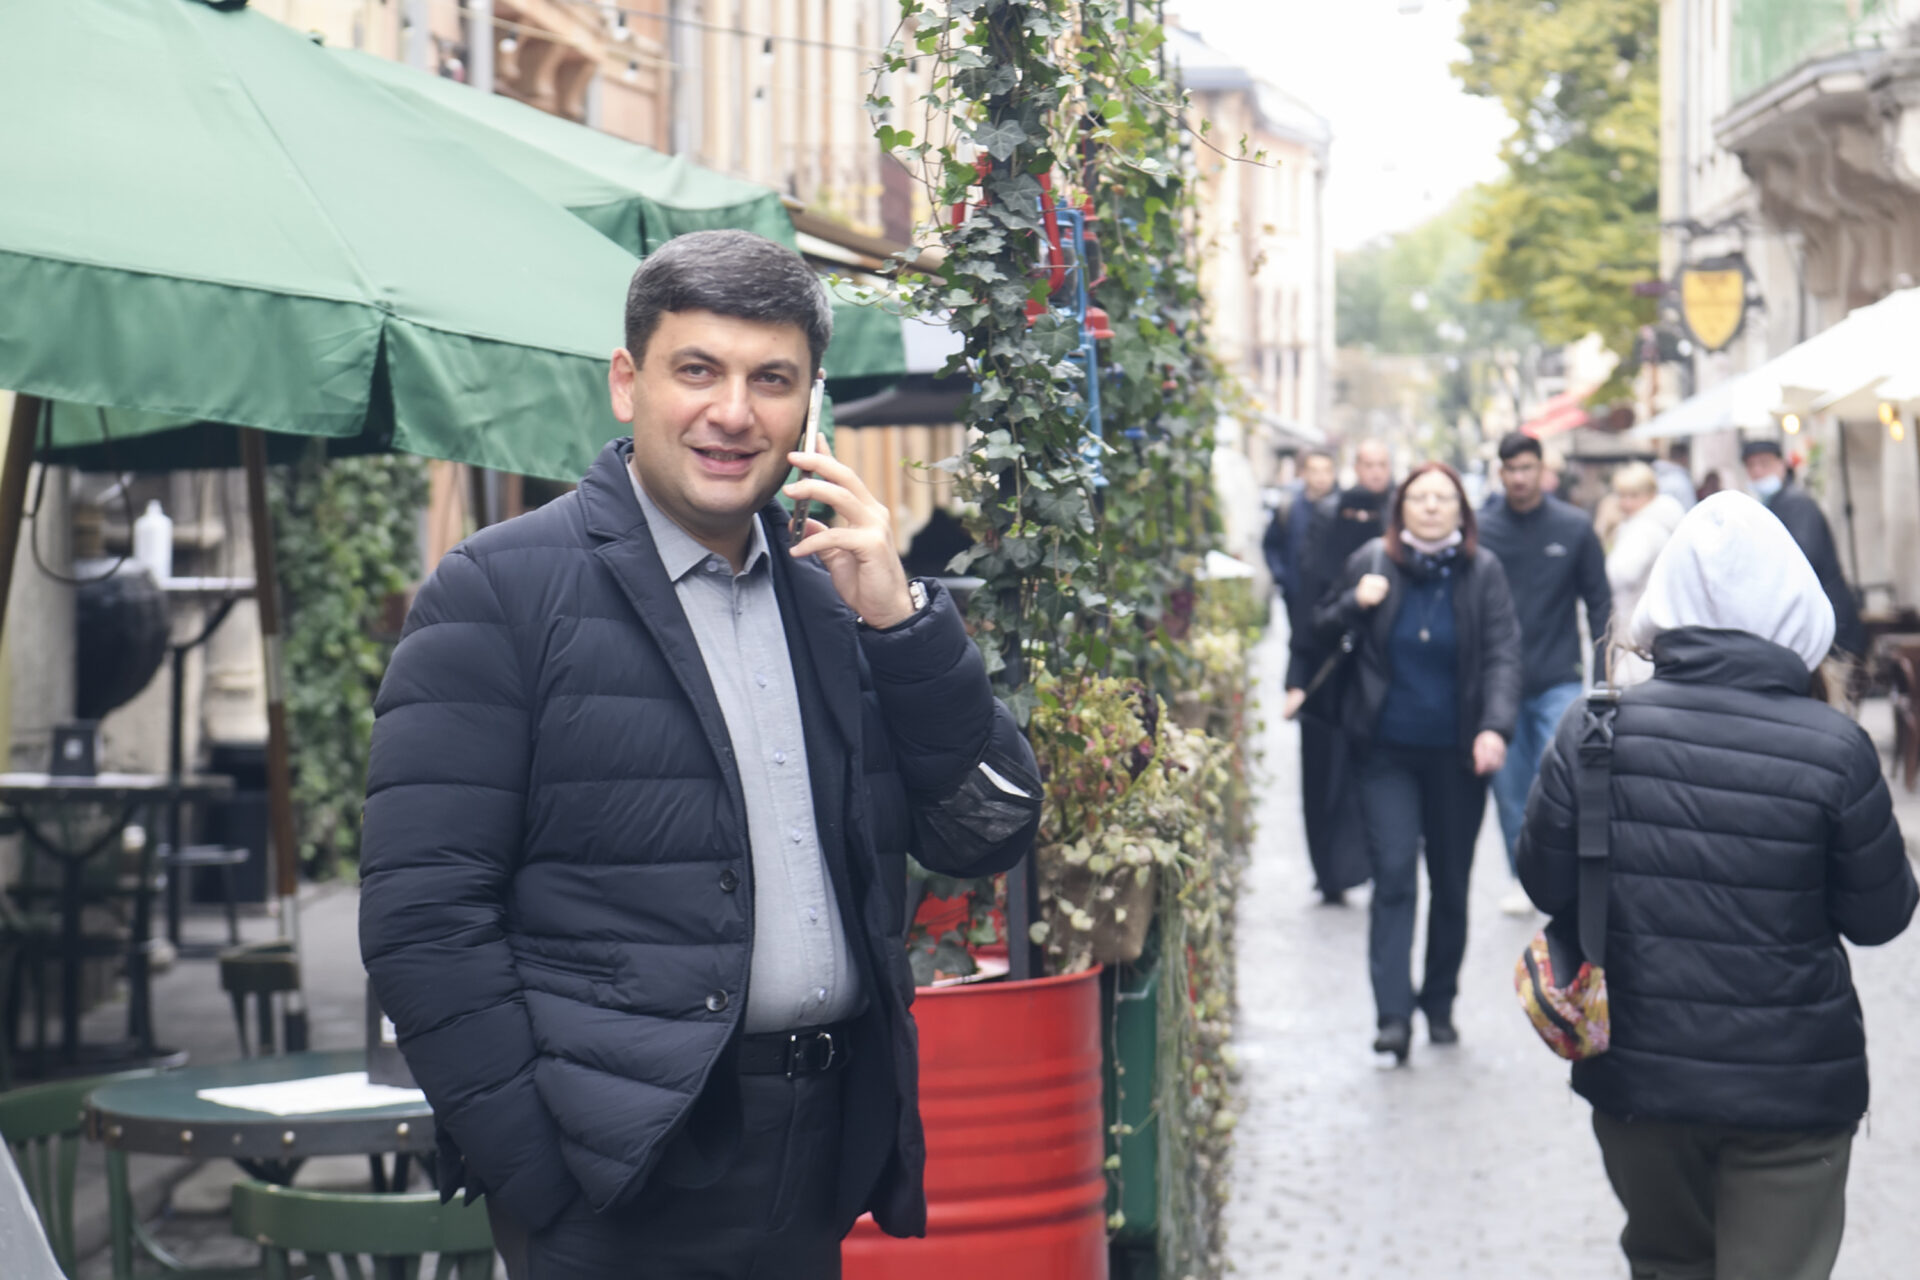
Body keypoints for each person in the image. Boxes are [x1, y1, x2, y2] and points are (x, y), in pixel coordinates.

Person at [358, 230, 1043, 1279]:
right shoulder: (497, 591)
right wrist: (540, 1176)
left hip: (811, 1158)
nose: (734, 412)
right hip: (614, 1175)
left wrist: (905, 625)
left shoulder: (837, 595)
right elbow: (423, 918)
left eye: (772, 379)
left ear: (811, 401)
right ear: (627, 382)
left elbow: (985, 829)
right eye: (698, 370)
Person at [1518, 492, 1916, 1280]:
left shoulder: (1594, 729)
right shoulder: (1835, 748)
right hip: (1793, 1084)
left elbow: (1545, 879)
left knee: (1667, 1265)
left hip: (1640, 1075)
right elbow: (1879, 917)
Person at [1314, 462, 1521, 1062]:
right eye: (1420, 498)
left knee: (1452, 885)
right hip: (1386, 752)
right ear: (1400, 508)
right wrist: (1355, 601)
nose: (1431, 507)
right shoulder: (1371, 563)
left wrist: (1494, 726)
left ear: (1462, 510)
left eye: (1443, 498)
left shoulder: (1483, 572)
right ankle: (1393, 1016)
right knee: (1396, 873)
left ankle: (1439, 1001)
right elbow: (1320, 628)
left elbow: (1505, 656)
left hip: (1459, 755)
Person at [1477, 432, 1611, 916]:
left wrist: (1602, 676)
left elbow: (1599, 602)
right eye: (1510, 469)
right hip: (1498, 683)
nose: (1519, 477)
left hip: (1558, 675)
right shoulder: (1482, 528)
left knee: (1555, 779)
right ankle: (1520, 875)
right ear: (1500, 473)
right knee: (1509, 787)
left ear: (1542, 469)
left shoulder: (1574, 528)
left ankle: (1559, 874)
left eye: (1527, 468)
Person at [1280, 440, 1394, 905]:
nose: (1375, 472)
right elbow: (1308, 599)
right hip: (1327, 670)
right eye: (1367, 463)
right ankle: (1329, 871)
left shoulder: (1400, 518)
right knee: (1322, 776)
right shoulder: (1332, 516)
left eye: (1381, 463)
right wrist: (1295, 677)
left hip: (1377, 674)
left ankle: (1361, 865)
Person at [1742, 439, 1866, 661]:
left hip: (1827, 627)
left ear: (1781, 464)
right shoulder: (1776, 503)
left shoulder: (1796, 504)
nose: (1757, 471)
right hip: (1815, 625)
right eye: (1751, 466)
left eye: (1764, 463)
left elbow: (1801, 558)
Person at [1602, 463, 1685, 686]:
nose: (1626, 503)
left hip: (1636, 630)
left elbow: (1621, 573)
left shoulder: (1644, 529)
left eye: (1634, 495)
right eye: (1622, 495)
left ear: (1651, 494)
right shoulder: (1654, 524)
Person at [1261, 448, 1337, 608]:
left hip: (1332, 597)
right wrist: (1282, 576)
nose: (1321, 477)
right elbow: (1271, 544)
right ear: (1304, 473)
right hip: (1296, 594)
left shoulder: (1344, 509)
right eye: (1315, 471)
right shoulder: (1289, 507)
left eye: (1326, 471)